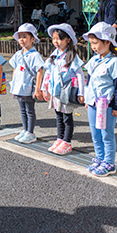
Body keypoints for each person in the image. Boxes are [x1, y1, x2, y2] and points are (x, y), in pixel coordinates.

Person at [82, 22, 117, 177]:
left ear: (107, 42)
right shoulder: (94, 60)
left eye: (96, 43)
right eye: (91, 43)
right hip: (93, 102)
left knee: (106, 134)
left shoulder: (114, 62)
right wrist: (87, 99)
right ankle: (99, 157)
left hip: (106, 104)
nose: (93, 46)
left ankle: (109, 162)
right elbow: (90, 80)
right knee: (95, 133)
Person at [41, 24, 85, 155]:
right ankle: (59, 138)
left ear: (68, 40)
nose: (56, 42)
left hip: (66, 92)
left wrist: (81, 92)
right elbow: (47, 73)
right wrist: (44, 88)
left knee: (67, 117)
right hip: (55, 92)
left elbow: (80, 75)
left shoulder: (71, 56)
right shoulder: (53, 56)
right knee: (58, 116)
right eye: (54, 38)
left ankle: (67, 141)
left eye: (59, 39)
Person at [9, 23, 45, 144]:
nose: (21, 40)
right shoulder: (18, 54)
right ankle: (25, 130)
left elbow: (40, 71)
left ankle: (30, 132)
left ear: (32, 39)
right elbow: (15, 68)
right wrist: (13, 83)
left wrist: (38, 89)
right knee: (22, 110)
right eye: (20, 37)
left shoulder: (35, 55)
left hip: (28, 87)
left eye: (24, 36)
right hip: (19, 87)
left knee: (29, 110)